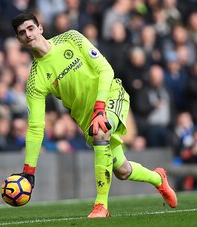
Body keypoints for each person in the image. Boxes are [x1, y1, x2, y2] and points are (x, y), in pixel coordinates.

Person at [10, 13, 177, 218]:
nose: (28, 35)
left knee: (101, 132)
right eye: (22, 33)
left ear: (40, 28)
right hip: (86, 118)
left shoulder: (71, 37)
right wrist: (29, 171)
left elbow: (105, 70)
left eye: (30, 28)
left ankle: (101, 206)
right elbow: (36, 127)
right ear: (18, 39)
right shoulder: (35, 80)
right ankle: (159, 179)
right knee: (122, 170)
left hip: (111, 96)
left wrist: (100, 107)